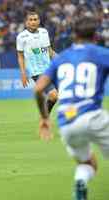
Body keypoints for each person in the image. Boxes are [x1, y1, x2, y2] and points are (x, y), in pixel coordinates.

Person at [34, 15, 109, 200]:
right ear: (95, 36)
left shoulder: (62, 58)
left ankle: (81, 182)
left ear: (73, 35)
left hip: (66, 121)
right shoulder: (101, 53)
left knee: (87, 163)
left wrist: (44, 118)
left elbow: (38, 89)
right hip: (92, 116)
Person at [16, 11, 58, 113]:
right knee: (53, 94)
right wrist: (23, 73)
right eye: (30, 20)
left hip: (50, 69)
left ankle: (45, 116)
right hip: (37, 72)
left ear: (39, 21)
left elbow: (49, 51)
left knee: (60, 96)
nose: (33, 22)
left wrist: (62, 59)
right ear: (26, 22)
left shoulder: (44, 32)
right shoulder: (21, 37)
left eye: (35, 19)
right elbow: (20, 56)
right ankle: (45, 118)